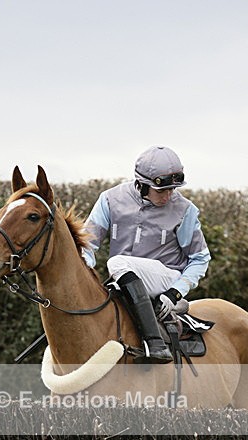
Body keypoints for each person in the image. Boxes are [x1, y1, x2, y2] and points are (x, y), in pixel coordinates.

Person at [83, 145, 211, 363]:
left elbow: (200, 259)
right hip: (126, 280)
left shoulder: (184, 210)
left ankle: (156, 343)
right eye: (161, 190)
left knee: (116, 263)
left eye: (173, 189)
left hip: (166, 277)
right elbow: (87, 244)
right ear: (141, 185)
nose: (168, 196)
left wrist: (175, 293)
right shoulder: (109, 199)